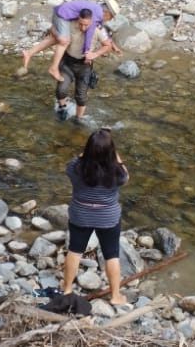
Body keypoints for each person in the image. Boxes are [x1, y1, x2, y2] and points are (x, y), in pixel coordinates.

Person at [61, 128, 129, 306]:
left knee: (75, 250)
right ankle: (115, 296)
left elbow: (75, 161)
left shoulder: (75, 167)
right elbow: (125, 175)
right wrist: (113, 155)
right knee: (111, 255)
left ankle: (67, 289)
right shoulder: (117, 172)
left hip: (80, 214)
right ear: (111, 152)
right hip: (107, 217)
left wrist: (87, 154)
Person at [50, 14, 121, 123]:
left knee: (81, 96)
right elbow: (52, 28)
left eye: (86, 25)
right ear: (77, 20)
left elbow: (107, 45)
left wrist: (95, 54)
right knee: (61, 90)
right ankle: (62, 108)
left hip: (84, 66)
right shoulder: (70, 23)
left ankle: (78, 118)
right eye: (80, 24)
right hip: (68, 62)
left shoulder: (98, 29)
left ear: (92, 22)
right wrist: (58, 37)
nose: (83, 28)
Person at [20, 0, 120, 75]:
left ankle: (29, 52)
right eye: (111, 17)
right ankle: (54, 68)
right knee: (64, 41)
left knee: (56, 39)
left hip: (61, 13)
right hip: (61, 15)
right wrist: (86, 52)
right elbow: (89, 35)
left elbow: (102, 29)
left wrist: (112, 44)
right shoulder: (96, 14)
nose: (110, 20)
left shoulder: (97, 10)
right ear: (107, 13)